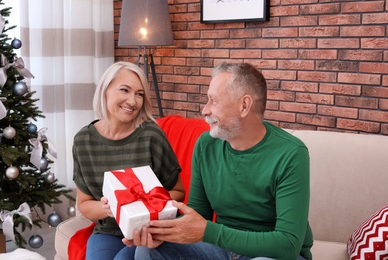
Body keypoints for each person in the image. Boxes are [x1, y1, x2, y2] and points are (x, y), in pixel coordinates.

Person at [127, 62, 313, 260]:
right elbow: (198, 215)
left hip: (269, 254)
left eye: (213, 101)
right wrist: (161, 231)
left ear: (244, 106)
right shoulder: (206, 144)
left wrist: (208, 232)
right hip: (219, 249)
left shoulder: (291, 153)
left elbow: (288, 245)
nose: (204, 110)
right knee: (148, 250)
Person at [72, 61, 185, 260]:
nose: (132, 101)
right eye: (125, 90)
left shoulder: (151, 136)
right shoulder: (84, 141)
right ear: (105, 91)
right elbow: (84, 204)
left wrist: (147, 206)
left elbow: (178, 192)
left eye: (139, 94)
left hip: (150, 230)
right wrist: (109, 208)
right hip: (108, 231)